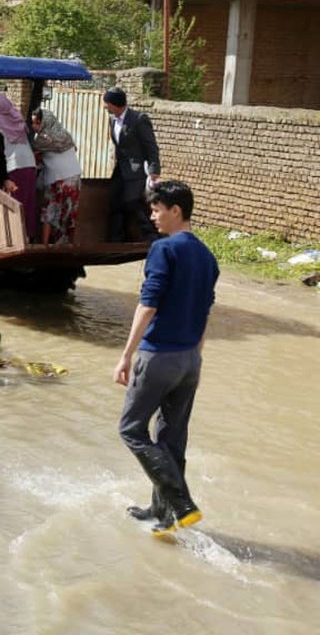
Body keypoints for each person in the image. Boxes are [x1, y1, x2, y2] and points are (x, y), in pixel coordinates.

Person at [114, 180, 218, 537]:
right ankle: (162, 514)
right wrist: (195, 359)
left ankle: (181, 502)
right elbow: (205, 313)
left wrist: (126, 355)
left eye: (157, 209)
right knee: (171, 437)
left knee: (131, 430)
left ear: (177, 211)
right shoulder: (207, 256)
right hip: (189, 359)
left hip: (158, 356)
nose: (153, 215)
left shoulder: (164, 249)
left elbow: (148, 304)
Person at [104, 87, 161, 243]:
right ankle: (116, 240)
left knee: (133, 203)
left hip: (136, 171)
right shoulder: (112, 119)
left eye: (107, 103)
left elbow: (151, 147)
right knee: (114, 202)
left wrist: (154, 171)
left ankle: (152, 237)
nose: (105, 106)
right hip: (120, 169)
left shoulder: (138, 119)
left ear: (114, 104)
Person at [0, 92, 38, 241]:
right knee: (27, 203)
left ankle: (15, 239)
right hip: (30, 165)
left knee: (13, 204)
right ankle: (28, 236)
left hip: (14, 166)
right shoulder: (17, 117)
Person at [30, 109, 83, 245]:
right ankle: (67, 245)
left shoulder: (42, 140)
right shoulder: (65, 134)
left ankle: (45, 245)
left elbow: (33, 155)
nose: (34, 126)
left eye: (36, 122)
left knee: (49, 212)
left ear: (45, 122)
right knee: (69, 213)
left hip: (57, 179)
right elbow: (74, 149)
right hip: (74, 178)